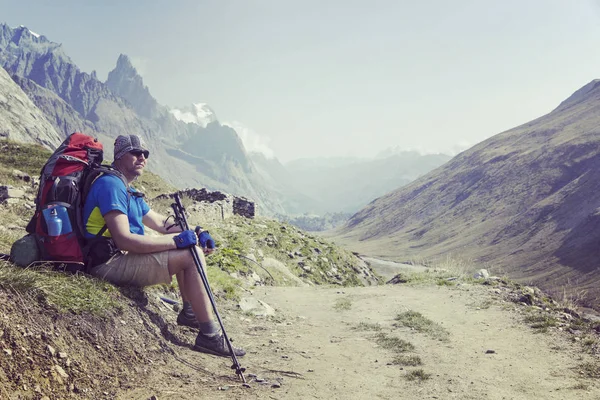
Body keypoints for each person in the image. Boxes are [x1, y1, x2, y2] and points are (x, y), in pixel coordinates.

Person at [82, 134, 245, 358]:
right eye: (135, 153)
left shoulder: (128, 190)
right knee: (191, 254)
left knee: (188, 248)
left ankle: (190, 313)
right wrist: (178, 241)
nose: (142, 157)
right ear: (119, 156)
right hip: (104, 263)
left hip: (116, 258)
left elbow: (160, 223)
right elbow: (124, 240)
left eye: (145, 154)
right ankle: (209, 336)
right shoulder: (111, 186)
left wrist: (196, 231)